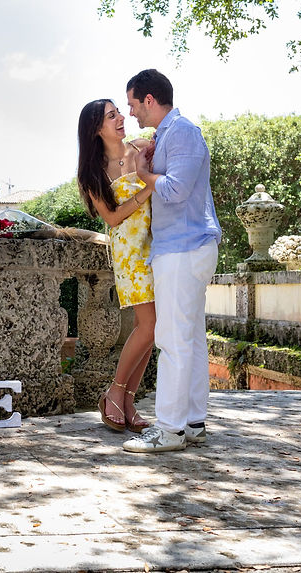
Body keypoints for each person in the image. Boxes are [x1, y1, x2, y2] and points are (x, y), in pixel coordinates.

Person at [122, 69, 221, 453]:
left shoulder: (181, 131)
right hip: (187, 246)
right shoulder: (169, 134)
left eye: (132, 104)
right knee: (191, 339)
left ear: (149, 99)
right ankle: (192, 423)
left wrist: (145, 174)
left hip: (182, 247)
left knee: (173, 340)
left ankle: (169, 430)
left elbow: (176, 191)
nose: (131, 114)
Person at [77, 98, 156, 433]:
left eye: (119, 112)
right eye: (112, 115)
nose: (121, 117)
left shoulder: (143, 147)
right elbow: (111, 217)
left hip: (159, 242)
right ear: (97, 128)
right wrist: (146, 189)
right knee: (150, 325)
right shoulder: (93, 172)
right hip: (129, 251)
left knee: (154, 330)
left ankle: (125, 400)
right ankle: (115, 392)